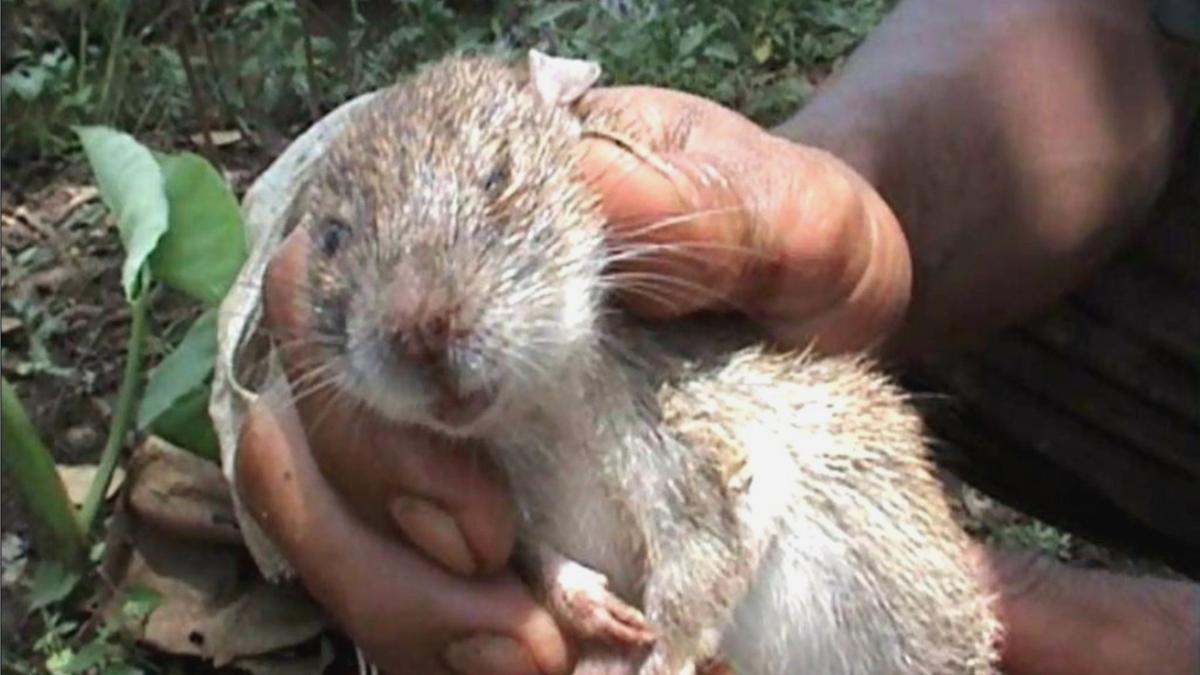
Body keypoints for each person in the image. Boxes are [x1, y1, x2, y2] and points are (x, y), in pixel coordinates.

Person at [232, 0, 1200, 673]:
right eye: (340, 244)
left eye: (493, 191)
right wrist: (811, 220)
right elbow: (1113, 27)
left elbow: (706, 506)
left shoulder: (647, 390)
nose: (415, 320)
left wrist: (675, 642)